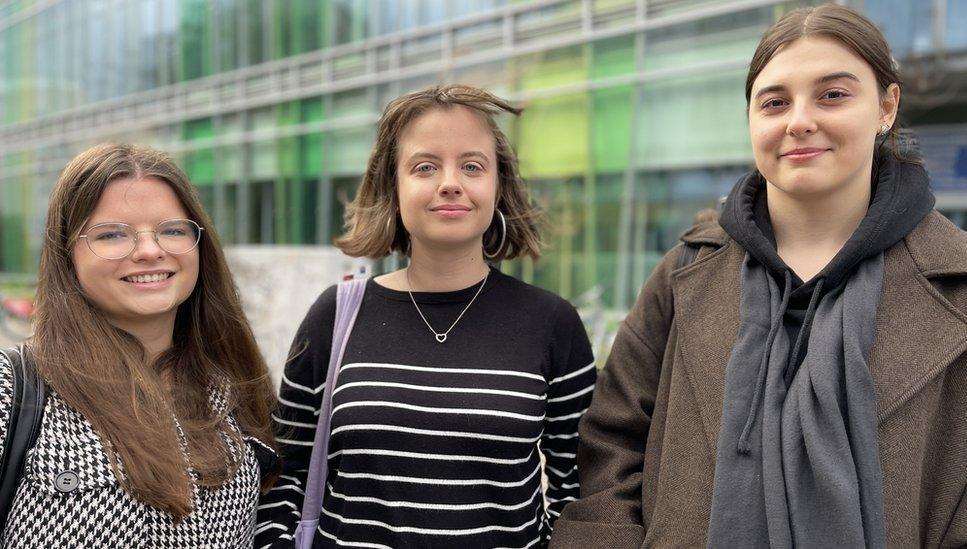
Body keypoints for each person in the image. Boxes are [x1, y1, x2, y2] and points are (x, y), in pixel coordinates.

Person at [550, 5, 967, 548]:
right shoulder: (686, 271)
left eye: (833, 95)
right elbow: (611, 442)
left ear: (887, 107)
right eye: (774, 102)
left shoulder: (962, 287)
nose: (799, 120)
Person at [256, 84, 596, 548]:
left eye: (472, 166)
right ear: (393, 187)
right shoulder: (335, 315)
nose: (450, 182)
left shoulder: (552, 323)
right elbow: (284, 471)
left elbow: (577, 489)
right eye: (425, 167)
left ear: (498, 187)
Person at [0, 144, 279, 547]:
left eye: (172, 230)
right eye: (112, 234)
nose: (150, 251)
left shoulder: (235, 389)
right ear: (67, 252)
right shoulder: (15, 391)